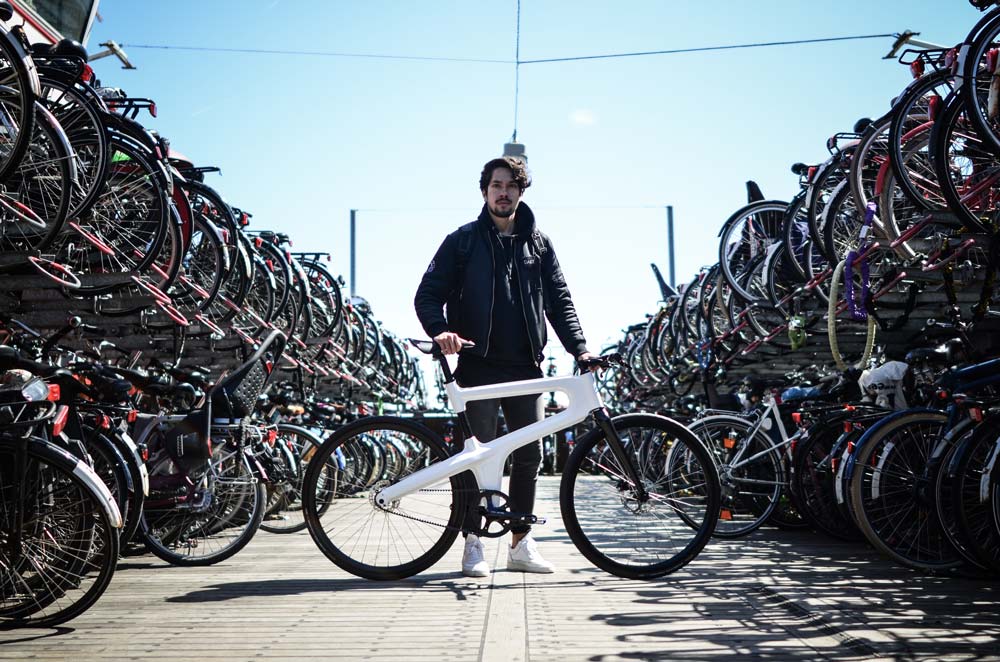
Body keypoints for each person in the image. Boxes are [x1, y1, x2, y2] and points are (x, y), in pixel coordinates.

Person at [414, 156, 595, 577]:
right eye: (496, 185)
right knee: (476, 458)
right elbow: (427, 295)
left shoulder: (540, 244)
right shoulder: (462, 241)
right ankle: (473, 543)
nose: (503, 192)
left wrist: (580, 349)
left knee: (529, 455)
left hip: (526, 367)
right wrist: (442, 331)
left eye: (511, 185)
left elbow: (560, 302)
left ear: (521, 191)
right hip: (477, 365)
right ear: (484, 191)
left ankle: (520, 544)